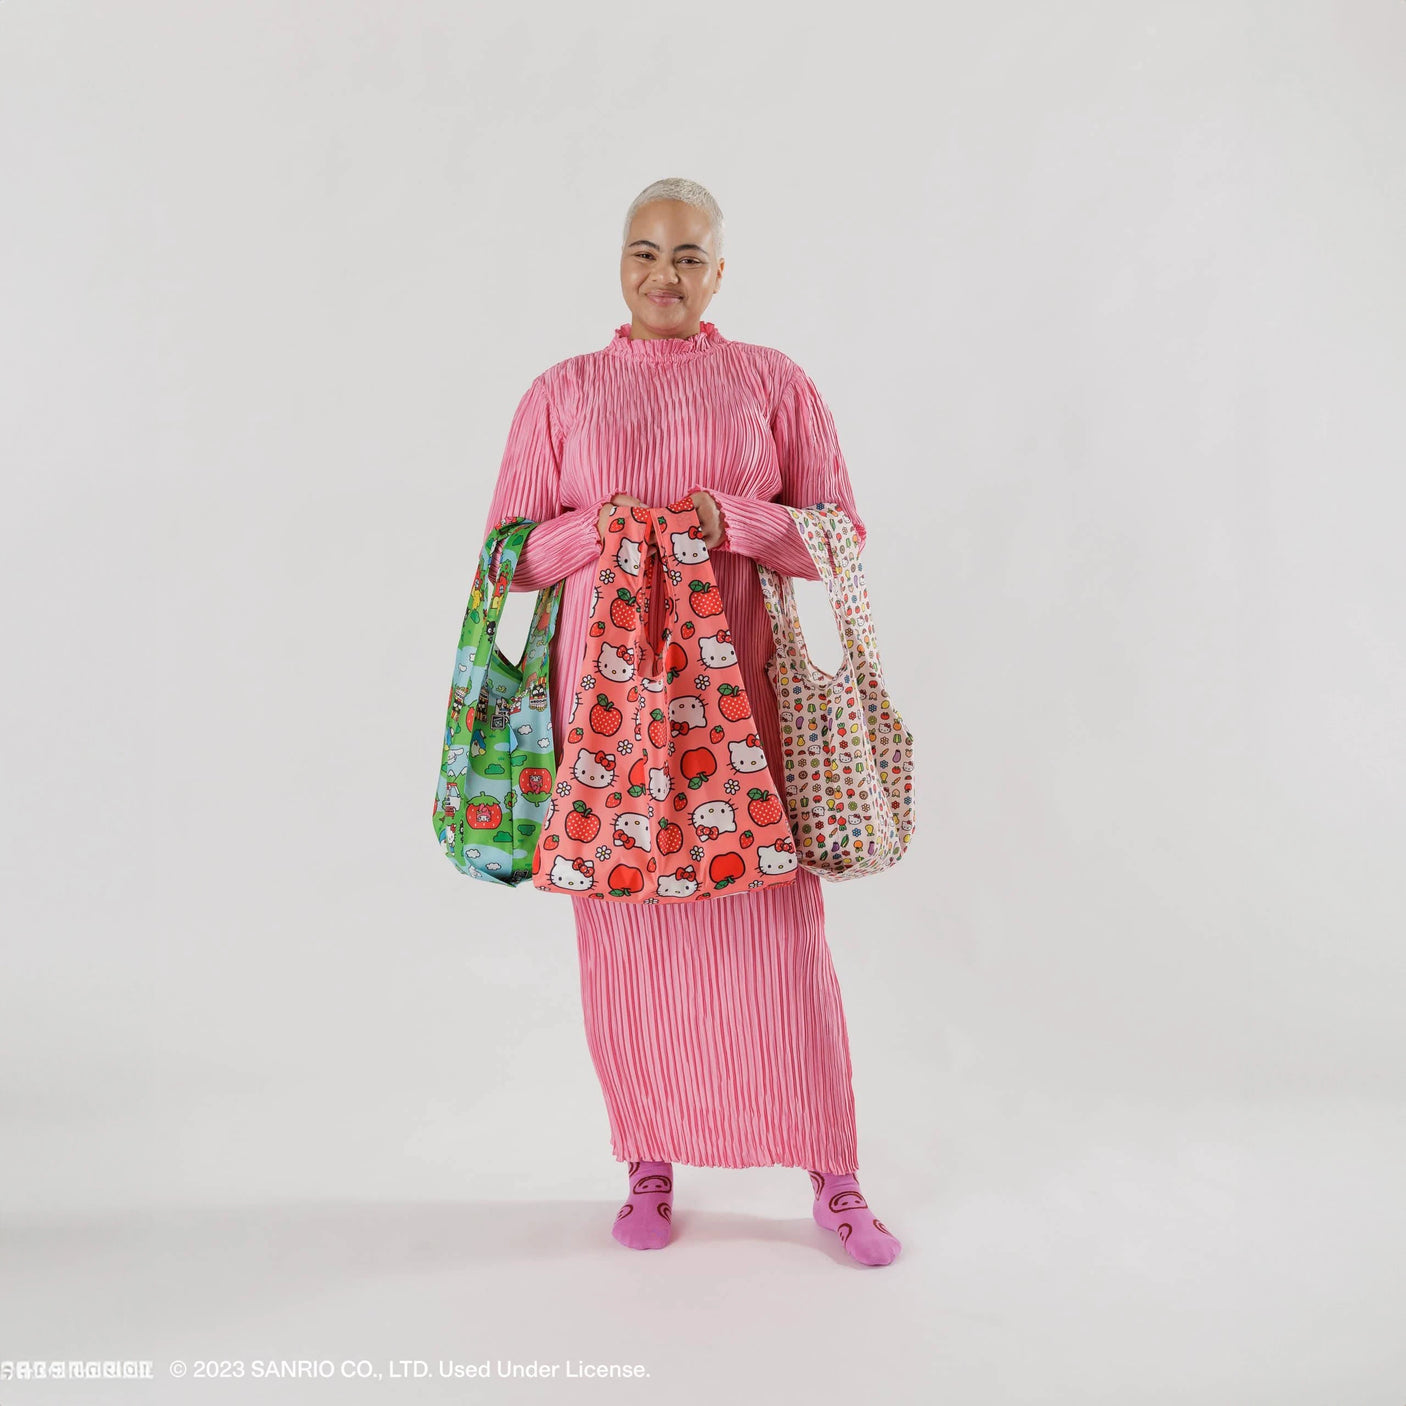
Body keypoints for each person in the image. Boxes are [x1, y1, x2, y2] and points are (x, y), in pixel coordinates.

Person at [480, 177, 901, 1268]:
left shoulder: (771, 382)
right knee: (627, 941)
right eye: (642, 252)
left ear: (719, 271)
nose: (662, 274)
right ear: (617, 265)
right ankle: (648, 1160)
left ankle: (835, 1175)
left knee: (777, 941)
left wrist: (736, 521)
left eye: (686, 255)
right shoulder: (559, 393)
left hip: (741, 717)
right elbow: (506, 556)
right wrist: (596, 534)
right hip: (606, 725)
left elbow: (837, 536)